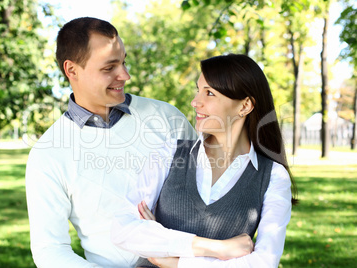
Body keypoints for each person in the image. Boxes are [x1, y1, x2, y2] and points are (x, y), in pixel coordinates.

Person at [25, 18, 252, 268]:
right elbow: (50, 251)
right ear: (72, 70)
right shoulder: (48, 155)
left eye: (123, 62)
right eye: (109, 67)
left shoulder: (166, 117)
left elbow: (215, 188)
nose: (125, 75)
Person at [111, 54, 298, 268]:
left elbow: (263, 262)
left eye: (209, 93)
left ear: (245, 106)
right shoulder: (169, 152)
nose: (195, 102)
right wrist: (215, 249)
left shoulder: (273, 176)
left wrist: (173, 260)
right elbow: (123, 228)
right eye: (198, 90)